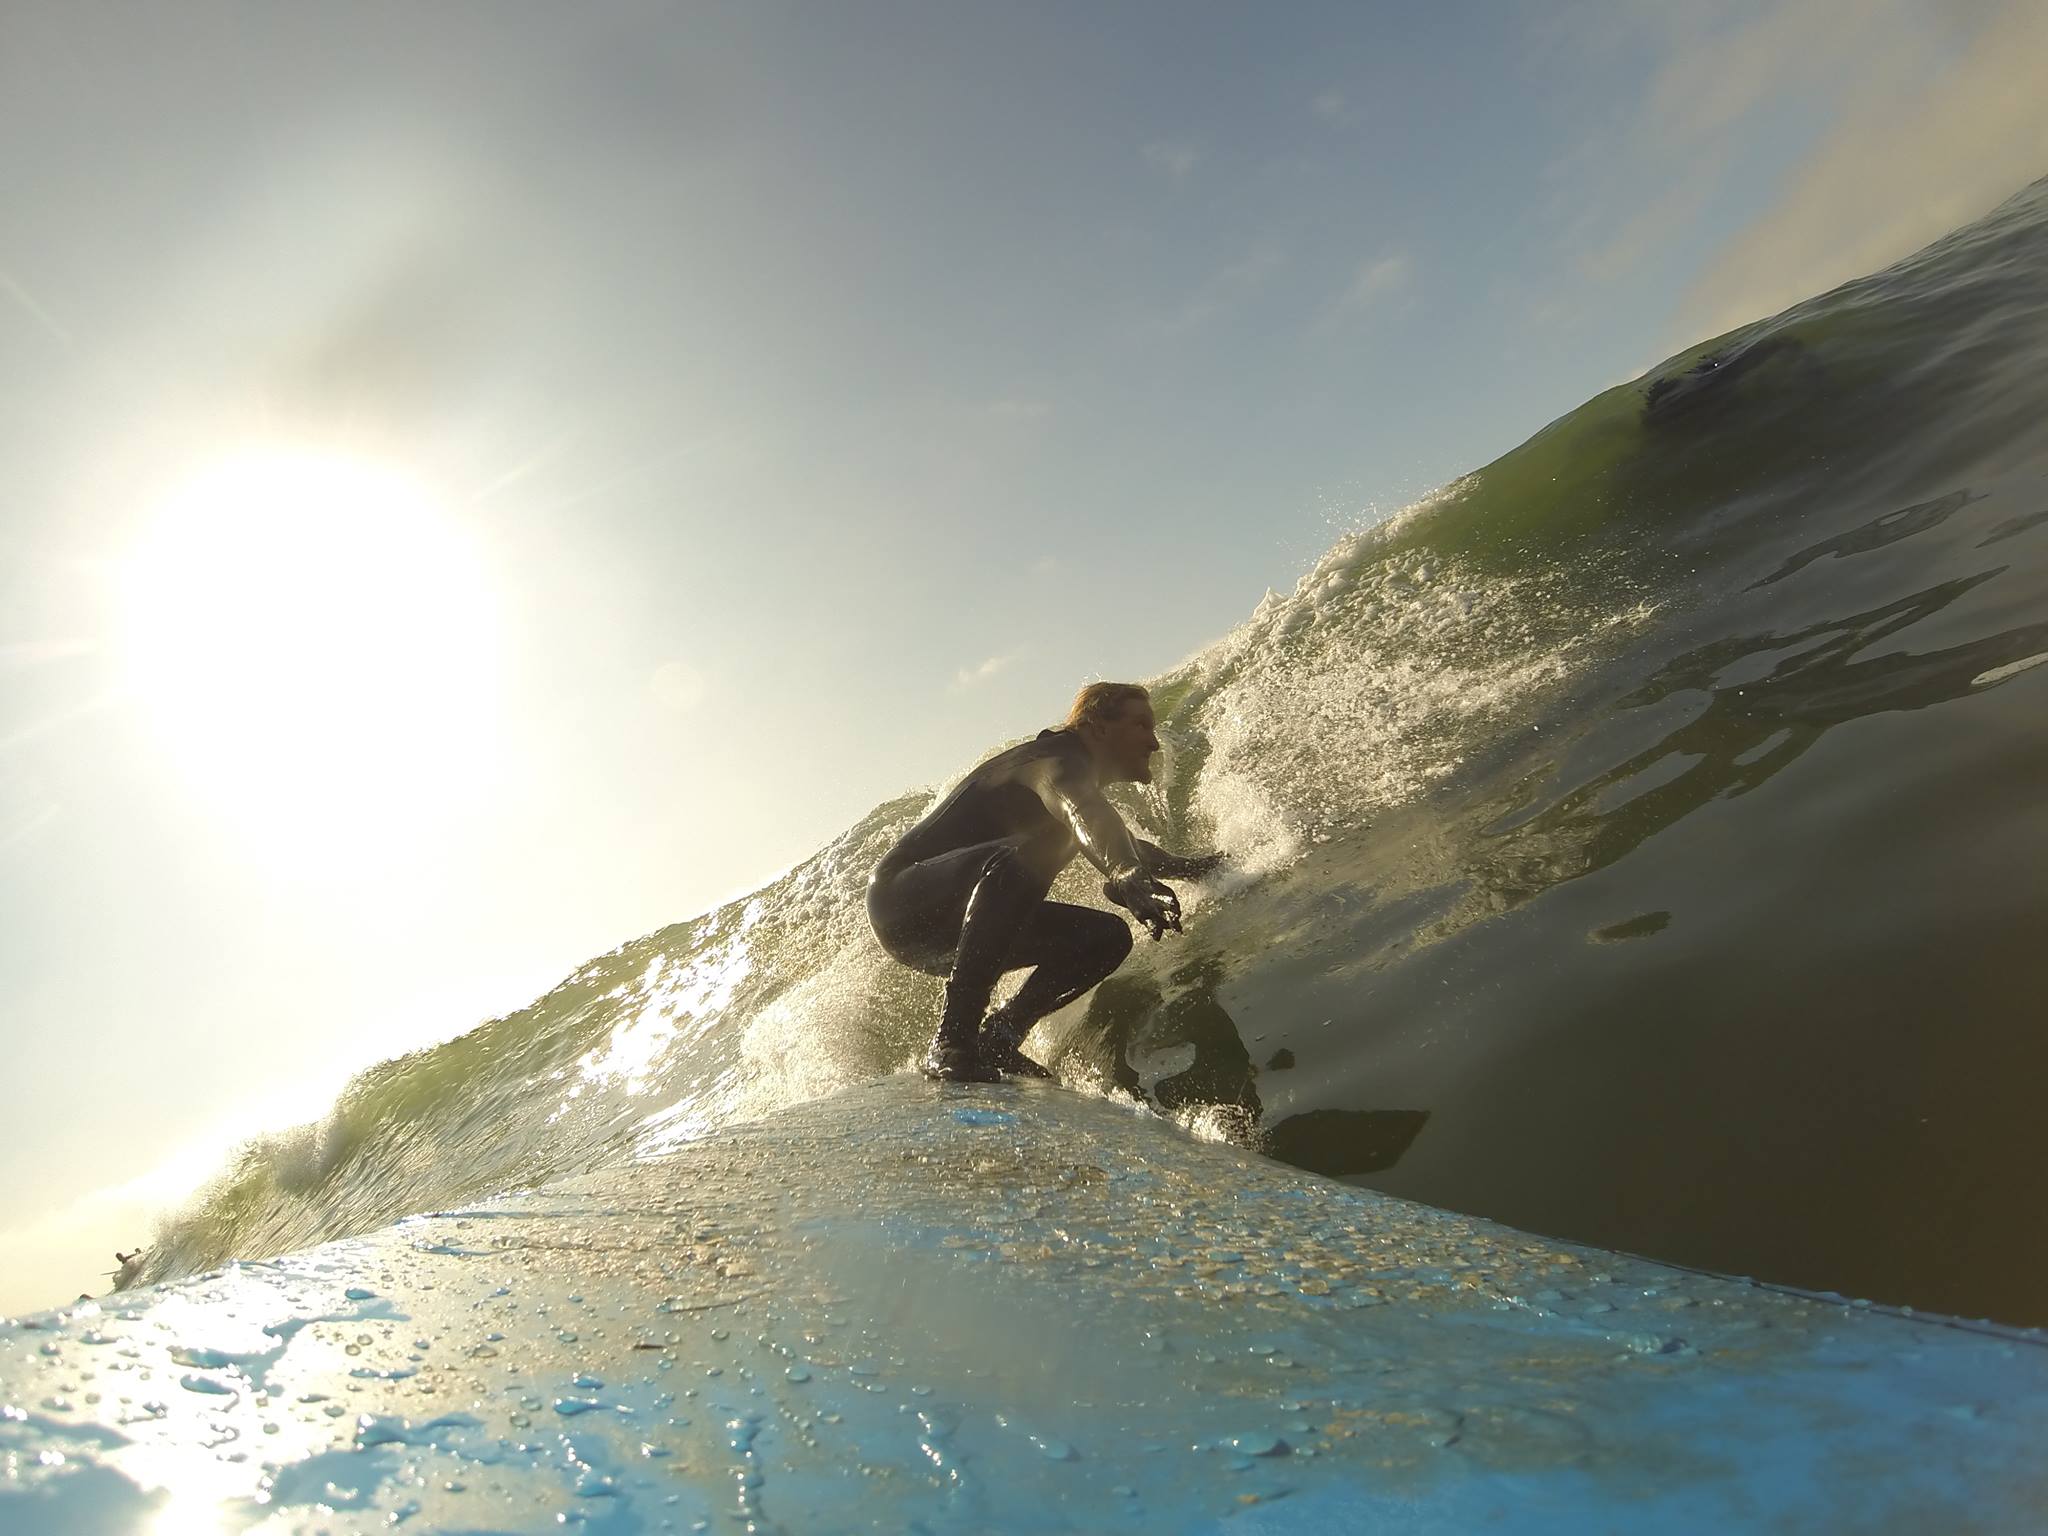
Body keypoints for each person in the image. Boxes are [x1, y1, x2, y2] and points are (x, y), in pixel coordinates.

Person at [867, 682, 1224, 1082]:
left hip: (962, 917)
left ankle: (1000, 1038)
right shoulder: (1057, 759)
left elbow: (1113, 838)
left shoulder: (1072, 776)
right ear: (1096, 727)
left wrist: (1199, 869)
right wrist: (1123, 873)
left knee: (1106, 938)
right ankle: (953, 1041)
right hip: (902, 898)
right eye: (1140, 725)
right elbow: (1083, 811)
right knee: (1019, 857)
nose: (1153, 742)